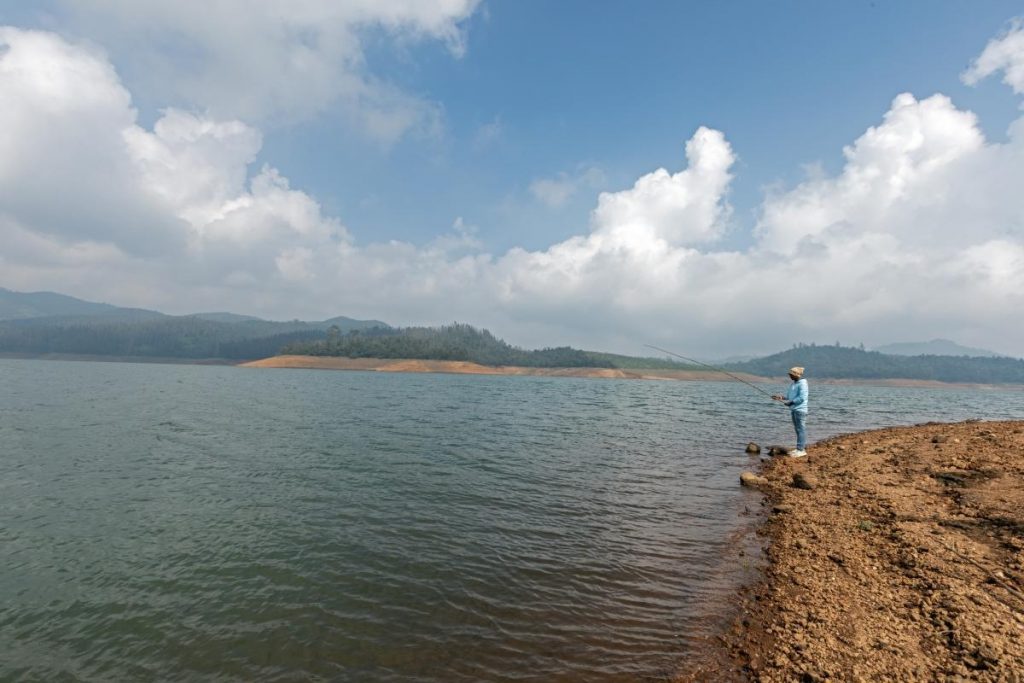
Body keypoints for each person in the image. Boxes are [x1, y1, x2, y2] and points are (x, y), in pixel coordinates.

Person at [772, 367, 808, 457]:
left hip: (800, 410)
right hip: (794, 410)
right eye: (790, 375)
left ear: (796, 375)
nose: (790, 376)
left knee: (801, 429)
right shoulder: (794, 384)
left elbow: (802, 398)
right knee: (797, 429)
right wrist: (780, 397)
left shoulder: (803, 384)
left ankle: (801, 450)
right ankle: (799, 448)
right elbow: (789, 397)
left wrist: (791, 403)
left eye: (791, 375)